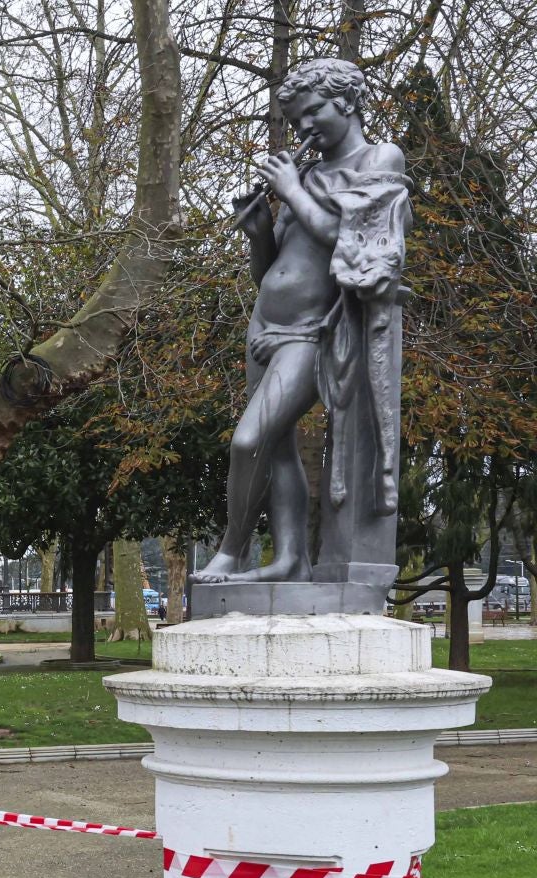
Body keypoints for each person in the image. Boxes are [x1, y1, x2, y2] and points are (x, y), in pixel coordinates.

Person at [192, 58, 410, 585]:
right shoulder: (308, 172)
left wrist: (290, 191)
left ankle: (231, 551)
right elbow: (270, 269)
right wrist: (260, 229)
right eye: (295, 121)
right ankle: (290, 558)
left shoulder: (380, 158)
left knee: (248, 440)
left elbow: (357, 244)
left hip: (315, 330)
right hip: (265, 325)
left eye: (312, 112)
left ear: (348, 102)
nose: (304, 128)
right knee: (277, 443)